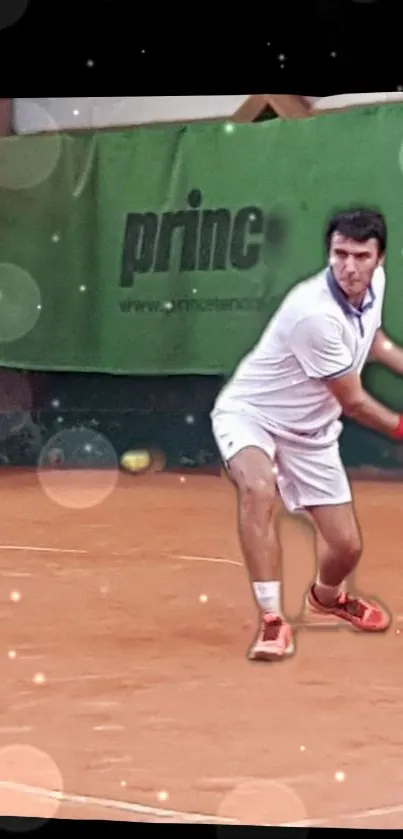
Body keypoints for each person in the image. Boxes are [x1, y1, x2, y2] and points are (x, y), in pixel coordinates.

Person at [211, 209, 403, 662]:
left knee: (346, 546)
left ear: (379, 258)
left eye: (361, 255)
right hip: (252, 415)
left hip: (310, 432)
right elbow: (354, 402)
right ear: (329, 253)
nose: (350, 267)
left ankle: (328, 597)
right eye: (340, 254)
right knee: (258, 489)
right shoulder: (312, 314)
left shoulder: (375, 284)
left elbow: (374, 342)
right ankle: (273, 622)